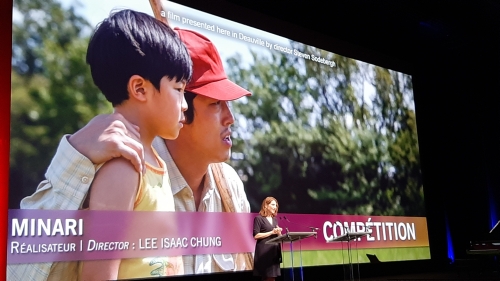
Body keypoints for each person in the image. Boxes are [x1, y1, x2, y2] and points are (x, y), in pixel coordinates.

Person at [9, 25, 253, 279]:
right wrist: (76, 153)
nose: (231, 118)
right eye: (215, 103)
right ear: (140, 89)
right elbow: (25, 265)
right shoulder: (123, 168)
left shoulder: (229, 187)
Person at [253, 197, 283, 281]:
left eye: (276, 205)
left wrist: (279, 232)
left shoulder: (275, 220)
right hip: (264, 252)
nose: (275, 207)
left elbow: (277, 235)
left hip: (274, 251)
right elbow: (256, 235)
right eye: (273, 204)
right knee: (266, 277)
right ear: (266, 205)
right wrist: (271, 232)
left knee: (272, 277)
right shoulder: (259, 219)